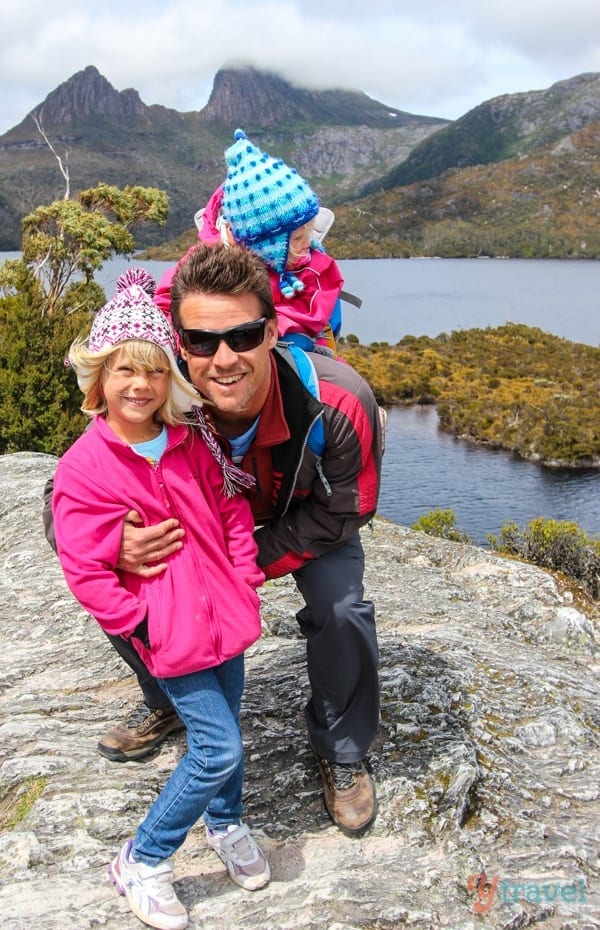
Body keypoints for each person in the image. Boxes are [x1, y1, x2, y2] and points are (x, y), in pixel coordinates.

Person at [44, 243, 383, 837]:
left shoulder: (336, 403)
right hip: (201, 529)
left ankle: (343, 748)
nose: (223, 359)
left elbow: (343, 510)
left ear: (274, 330)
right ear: (179, 343)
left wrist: (238, 568)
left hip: (298, 518)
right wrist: (113, 546)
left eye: (244, 336)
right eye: (201, 341)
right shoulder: (155, 392)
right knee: (126, 578)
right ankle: (174, 698)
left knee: (341, 607)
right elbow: (70, 492)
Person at [51, 267, 270, 930]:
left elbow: (231, 509)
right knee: (217, 747)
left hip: (224, 619)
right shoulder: (84, 466)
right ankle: (143, 858)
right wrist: (138, 621)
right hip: (168, 634)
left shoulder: (190, 440)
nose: (139, 385)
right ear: (99, 380)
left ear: (166, 377)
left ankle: (226, 824)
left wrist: (244, 576)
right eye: (123, 371)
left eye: (151, 371)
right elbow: (84, 565)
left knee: (227, 726)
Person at [155, 128, 346, 353]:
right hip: (214, 353)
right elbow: (166, 303)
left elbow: (318, 319)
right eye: (296, 238)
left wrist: (269, 329)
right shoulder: (201, 263)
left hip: (294, 352)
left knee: (352, 387)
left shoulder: (313, 267)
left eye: (308, 233)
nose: (308, 244)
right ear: (264, 244)